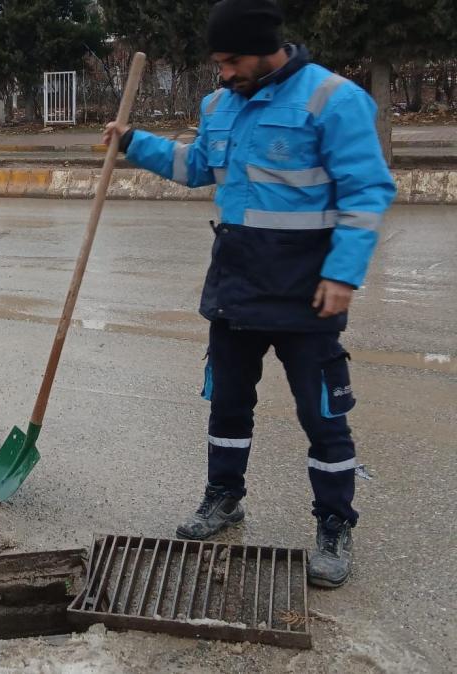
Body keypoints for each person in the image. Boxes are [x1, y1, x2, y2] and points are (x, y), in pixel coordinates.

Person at [103, 0, 395, 587]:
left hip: (307, 295)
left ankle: (334, 523)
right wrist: (135, 142)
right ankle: (223, 497)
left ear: (267, 48)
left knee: (324, 416)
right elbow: (196, 167)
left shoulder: (333, 100)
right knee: (228, 406)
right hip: (235, 287)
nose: (224, 73)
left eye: (232, 60)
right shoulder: (219, 105)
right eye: (218, 62)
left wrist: (342, 275)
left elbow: (367, 191)